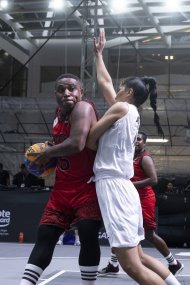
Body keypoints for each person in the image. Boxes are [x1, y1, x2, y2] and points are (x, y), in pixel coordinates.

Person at [86, 31, 181, 285]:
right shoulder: (130, 112)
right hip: (124, 187)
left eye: (120, 88)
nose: (114, 90)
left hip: (115, 186)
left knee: (130, 265)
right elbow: (105, 83)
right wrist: (98, 54)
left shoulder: (120, 108)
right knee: (138, 254)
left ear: (127, 92)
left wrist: (91, 137)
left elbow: (89, 138)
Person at [20, 74, 102, 285]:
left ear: (81, 91)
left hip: (87, 186)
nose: (67, 93)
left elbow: (76, 144)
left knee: (87, 235)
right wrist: (50, 151)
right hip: (62, 188)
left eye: (72, 88)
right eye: (61, 89)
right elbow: (63, 144)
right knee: (45, 235)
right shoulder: (59, 114)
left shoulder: (83, 108)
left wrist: (47, 154)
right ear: (55, 94)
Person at [99, 131, 184, 276]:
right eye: (134, 139)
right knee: (122, 230)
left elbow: (153, 180)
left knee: (150, 235)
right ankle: (113, 264)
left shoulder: (145, 158)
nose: (136, 141)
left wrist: (129, 185)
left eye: (139, 139)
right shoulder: (129, 155)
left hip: (144, 200)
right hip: (129, 199)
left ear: (144, 142)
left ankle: (174, 263)